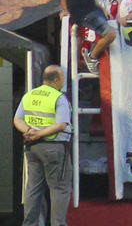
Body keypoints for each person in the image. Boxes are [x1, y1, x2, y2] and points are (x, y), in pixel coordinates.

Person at [15, 65, 71, 226]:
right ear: (56, 79)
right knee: (59, 188)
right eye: (62, 78)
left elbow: (17, 119)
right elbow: (61, 124)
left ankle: (29, 223)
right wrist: (40, 133)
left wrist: (29, 131)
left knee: (33, 188)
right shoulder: (58, 98)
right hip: (54, 147)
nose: (63, 82)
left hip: (32, 147)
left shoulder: (29, 95)